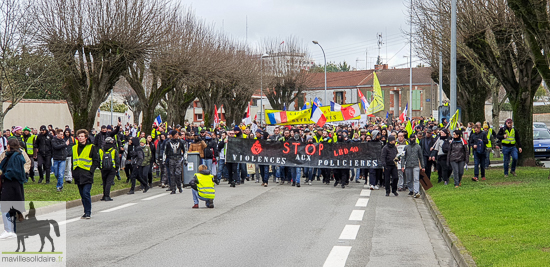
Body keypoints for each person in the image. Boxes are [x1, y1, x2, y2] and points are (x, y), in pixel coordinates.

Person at [0, 138, 30, 239]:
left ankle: (8, 230)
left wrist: (3, 176)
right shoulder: (10, 155)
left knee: (5, 206)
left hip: (12, 184)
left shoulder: (16, 156)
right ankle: (11, 230)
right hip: (10, 184)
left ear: (9, 145)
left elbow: (14, 171)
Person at [72, 129, 100, 219]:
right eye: (79, 136)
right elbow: (73, 161)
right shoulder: (74, 147)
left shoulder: (91, 147)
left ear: (86, 137)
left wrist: (91, 170)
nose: (80, 138)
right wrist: (73, 172)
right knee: (82, 195)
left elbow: (96, 161)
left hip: (87, 174)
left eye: (82, 136)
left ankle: (88, 212)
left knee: (86, 193)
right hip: (78, 174)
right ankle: (85, 211)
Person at [402, 134, 425, 198]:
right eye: (411, 138)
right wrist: (402, 166)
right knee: (409, 179)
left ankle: (416, 191)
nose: (412, 139)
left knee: (416, 179)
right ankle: (411, 190)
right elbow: (403, 157)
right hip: (408, 165)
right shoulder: (406, 147)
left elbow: (421, 157)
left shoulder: (418, 147)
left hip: (415, 165)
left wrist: (423, 166)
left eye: (413, 138)